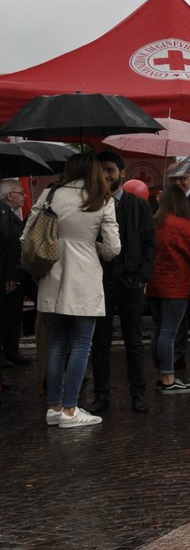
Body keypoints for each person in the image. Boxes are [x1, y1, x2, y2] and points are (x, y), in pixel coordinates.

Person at [31, 152, 120, 428]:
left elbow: (27, 235)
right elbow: (114, 248)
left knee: (57, 343)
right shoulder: (101, 198)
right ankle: (71, 409)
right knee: (81, 344)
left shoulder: (49, 194)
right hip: (84, 274)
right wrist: (98, 248)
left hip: (52, 273)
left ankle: (54, 407)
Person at [86, 151, 154, 415]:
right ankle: (101, 395)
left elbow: (150, 244)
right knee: (99, 342)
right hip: (100, 283)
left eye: (110, 170)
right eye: (101, 170)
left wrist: (142, 277)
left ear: (122, 173)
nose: (105, 175)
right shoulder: (91, 204)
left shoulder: (138, 205)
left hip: (132, 283)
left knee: (134, 341)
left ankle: (138, 393)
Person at [147, 185, 190, 394]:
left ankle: (162, 374)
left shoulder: (153, 223)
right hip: (175, 285)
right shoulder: (182, 225)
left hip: (154, 284)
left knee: (158, 329)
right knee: (169, 332)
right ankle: (169, 378)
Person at [0, 179, 27, 367]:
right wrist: (10, 275)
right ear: (10, 195)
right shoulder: (3, 213)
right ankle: (7, 351)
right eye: (21, 193)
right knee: (5, 314)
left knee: (13, 313)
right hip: (7, 272)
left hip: (14, 271)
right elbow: (8, 245)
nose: (24, 196)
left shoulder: (9, 213)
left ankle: (11, 350)